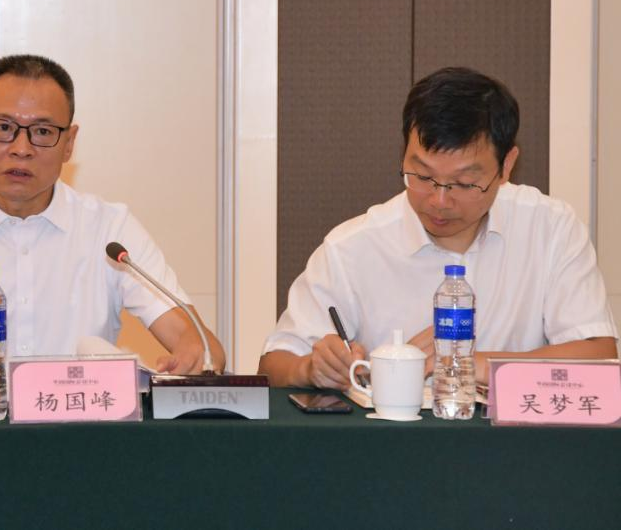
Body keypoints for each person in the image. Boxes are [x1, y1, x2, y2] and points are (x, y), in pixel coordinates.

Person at [0, 54, 225, 389]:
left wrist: (194, 353)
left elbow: (200, 344)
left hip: (78, 425)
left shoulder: (110, 231)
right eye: (3, 127)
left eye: (42, 132)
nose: (21, 148)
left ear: (69, 143)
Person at [259, 67, 617, 390]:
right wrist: (311, 369)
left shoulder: (550, 229)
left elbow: (599, 356)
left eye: (464, 183)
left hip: (515, 440)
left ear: (507, 165)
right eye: (423, 176)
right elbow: (273, 365)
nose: (439, 201)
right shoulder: (351, 248)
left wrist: (465, 363)